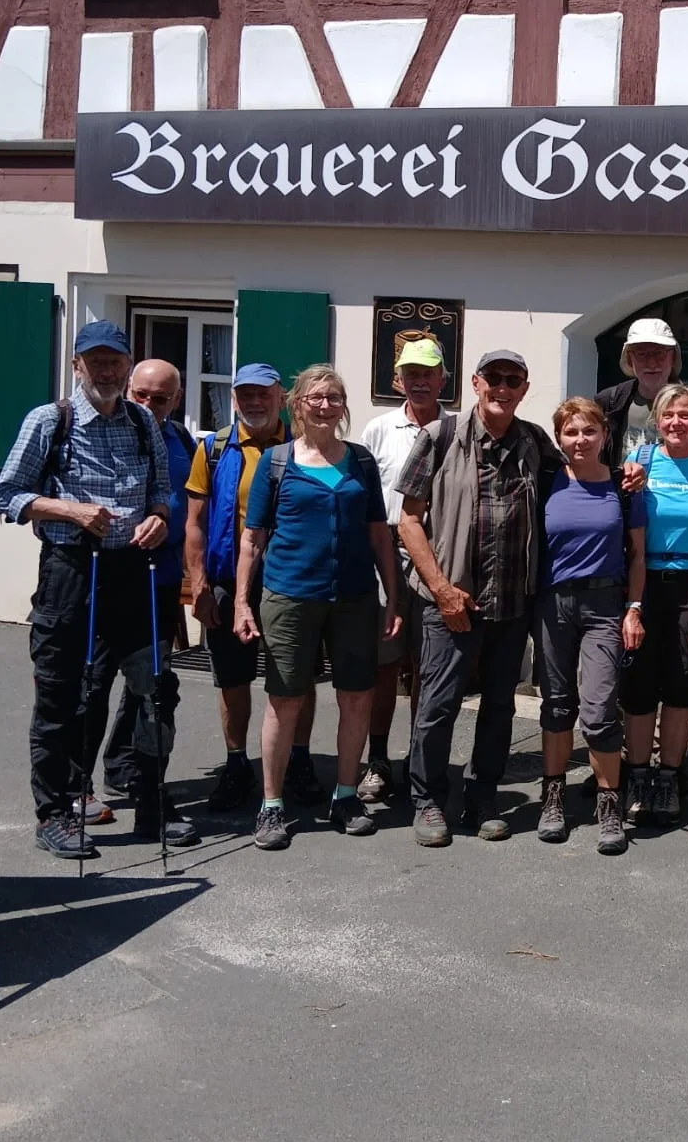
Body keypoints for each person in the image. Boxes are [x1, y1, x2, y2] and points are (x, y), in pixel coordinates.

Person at [0, 318, 195, 856]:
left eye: (114, 360)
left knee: (157, 691)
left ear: (126, 366)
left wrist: (157, 517)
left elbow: (161, 491)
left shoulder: (141, 422)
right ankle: (55, 813)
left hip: (133, 570)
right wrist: (71, 510)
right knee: (65, 697)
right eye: (95, 360)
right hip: (72, 570)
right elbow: (6, 493)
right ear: (77, 364)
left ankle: (151, 804)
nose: (105, 369)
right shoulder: (49, 420)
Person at [397, 349, 565, 847]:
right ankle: (428, 800)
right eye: (494, 378)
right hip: (452, 602)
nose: (503, 387)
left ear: (524, 388)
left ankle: (482, 796)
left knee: (499, 706)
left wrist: (624, 482)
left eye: (514, 379)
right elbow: (409, 520)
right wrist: (442, 589)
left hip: (512, 602)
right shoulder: (440, 437)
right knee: (439, 703)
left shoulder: (535, 441)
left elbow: (578, 479)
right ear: (476, 382)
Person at [234, 366, 400, 848]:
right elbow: (253, 538)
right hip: (289, 595)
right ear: (297, 404)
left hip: (354, 598)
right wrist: (243, 601)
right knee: (285, 700)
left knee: (357, 698)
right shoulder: (277, 462)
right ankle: (271, 806)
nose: (325, 406)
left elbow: (379, 536)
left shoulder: (361, 463)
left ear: (344, 405)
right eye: (315, 398)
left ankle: (345, 795)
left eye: (334, 398)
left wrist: (391, 597)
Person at [187, 362, 323, 813]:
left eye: (262, 394)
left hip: (292, 577)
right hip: (229, 576)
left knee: (296, 676)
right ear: (234, 399)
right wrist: (199, 584)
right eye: (245, 394)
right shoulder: (214, 449)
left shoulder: (304, 446)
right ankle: (236, 763)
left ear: (280, 397)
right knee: (232, 677)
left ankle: (299, 760)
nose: (254, 402)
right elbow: (194, 523)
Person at [531, 398, 645, 853]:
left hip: (604, 604)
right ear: (559, 438)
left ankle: (609, 804)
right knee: (557, 705)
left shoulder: (624, 487)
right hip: (553, 602)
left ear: (605, 436)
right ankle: (553, 797)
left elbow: (637, 555)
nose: (581, 440)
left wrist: (634, 608)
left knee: (598, 711)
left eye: (589, 431)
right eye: (571, 432)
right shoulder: (547, 481)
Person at [620, 384, 688, 830]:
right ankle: (638, 776)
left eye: (686, 415)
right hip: (642, 580)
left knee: (680, 686)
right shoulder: (640, 462)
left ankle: (669, 777)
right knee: (639, 686)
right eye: (669, 415)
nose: (677, 422)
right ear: (656, 420)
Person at [357, 336, 448, 805]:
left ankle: (420, 760)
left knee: (427, 669)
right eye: (410, 374)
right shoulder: (378, 430)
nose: (419, 381)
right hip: (387, 557)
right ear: (398, 380)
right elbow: (369, 501)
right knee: (384, 666)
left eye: (427, 373)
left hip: (436, 556)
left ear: (442, 379)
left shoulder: (455, 431)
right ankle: (377, 761)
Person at [103, 359, 195, 803]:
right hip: (110, 576)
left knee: (150, 681)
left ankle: (125, 765)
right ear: (127, 388)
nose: (148, 404)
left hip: (161, 579)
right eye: (140, 394)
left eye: (160, 398)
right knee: (94, 679)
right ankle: (74, 786)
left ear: (176, 400)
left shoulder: (181, 438)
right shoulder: (109, 432)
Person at [597, 316, 688, 470]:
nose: (652, 363)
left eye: (659, 353)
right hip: (624, 491)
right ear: (629, 359)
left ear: (673, 357)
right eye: (641, 354)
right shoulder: (609, 401)